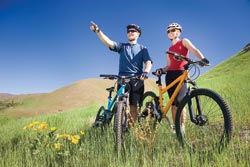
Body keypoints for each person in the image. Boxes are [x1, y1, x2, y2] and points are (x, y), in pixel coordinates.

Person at [90, 21, 153, 124]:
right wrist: (98, 31)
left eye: (133, 31)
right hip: (122, 79)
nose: (130, 32)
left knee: (134, 106)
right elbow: (108, 42)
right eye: (128, 31)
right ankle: (119, 126)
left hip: (137, 80)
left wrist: (146, 72)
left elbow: (148, 62)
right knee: (121, 103)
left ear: (138, 34)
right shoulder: (122, 47)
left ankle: (130, 130)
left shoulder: (143, 49)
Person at [156, 22, 209, 132]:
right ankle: (175, 128)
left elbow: (194, 49)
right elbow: (169, 65)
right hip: (170, 75)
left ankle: (182, 127)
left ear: (178, 32)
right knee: (173, 103)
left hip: (181, 73)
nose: (170, 32)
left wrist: (202, 58)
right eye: (168, 31)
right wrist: (161, 70)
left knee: (181, 102)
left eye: (173, 30)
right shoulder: (169, 49)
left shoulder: (184, 41)